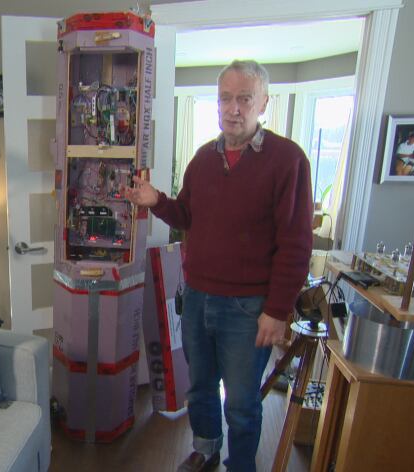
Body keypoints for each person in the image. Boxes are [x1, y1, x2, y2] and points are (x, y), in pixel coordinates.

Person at [124, 60, 313, 472]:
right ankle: (206, 451)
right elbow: (188, 216)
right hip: (196, 298)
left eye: (244, 98)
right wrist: (157, 201)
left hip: (249, 308)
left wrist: (277, 310)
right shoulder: (203, 160)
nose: (234, 108)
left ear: (263, 102)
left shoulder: (288, 160)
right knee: (201, 389)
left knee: (243, 402)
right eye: (225, 98)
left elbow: (297, 244)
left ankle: (241, 465)